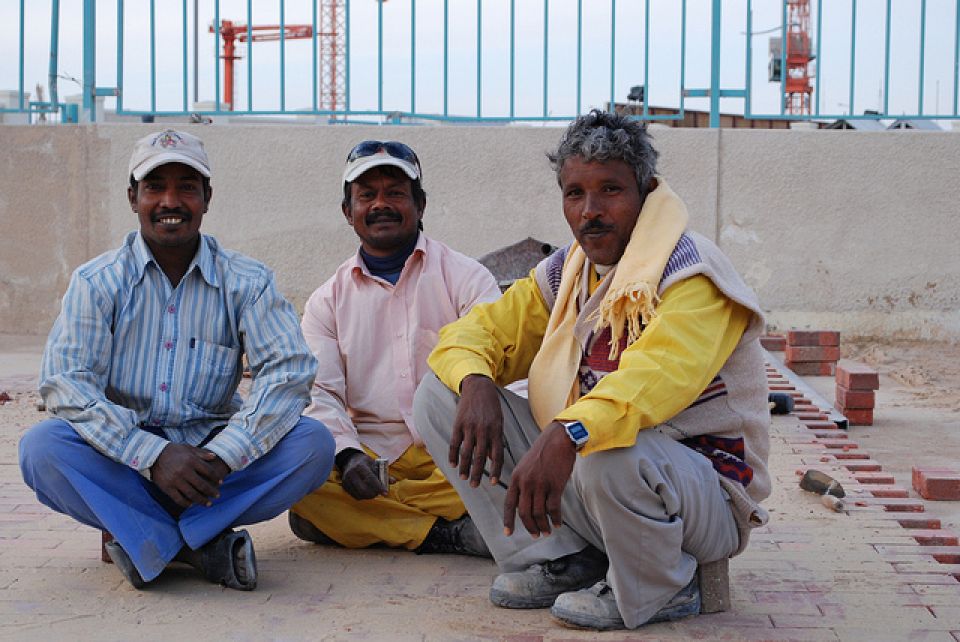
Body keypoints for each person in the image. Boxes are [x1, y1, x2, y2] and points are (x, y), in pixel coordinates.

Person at [413, 110, 770, 630]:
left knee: (605, 444)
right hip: (601, 481)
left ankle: (666, 584)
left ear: (645, 192)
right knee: (438, 397)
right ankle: (560, 559)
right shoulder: (569, 272)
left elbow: (653, 380)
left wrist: (567, 432)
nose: (590, 211)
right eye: (575, 193)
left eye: (610, 190)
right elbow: (478, 332)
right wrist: (475, 379)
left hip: (704, 498)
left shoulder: (692, 272)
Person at [18, 129, 335, 591]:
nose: (171, 201)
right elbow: (66, 382)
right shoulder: (96, 281)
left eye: (186, 187)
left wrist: (225, 456)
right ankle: (198, 546)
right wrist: (153, 455)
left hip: (213, 464)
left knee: (313, 445)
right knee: (42, 449)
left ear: (207, 198)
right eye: (155, 187)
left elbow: (289, 374)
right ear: (133, 198)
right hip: (125, 458)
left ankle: (144, 536)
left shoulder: (248, 281)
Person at [287, 141, 500, 556]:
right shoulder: (326, 301)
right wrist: (348, 457)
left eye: (396, 193)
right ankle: (449, 533)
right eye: (367, 195)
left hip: (456, 454)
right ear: (348, 211)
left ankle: (363, 522)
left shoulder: (468, 279)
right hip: (372, 461)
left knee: (511, 466)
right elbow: (319, 393)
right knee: (298, 470)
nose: (381, 204)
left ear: (420, 205)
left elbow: (501, 362)